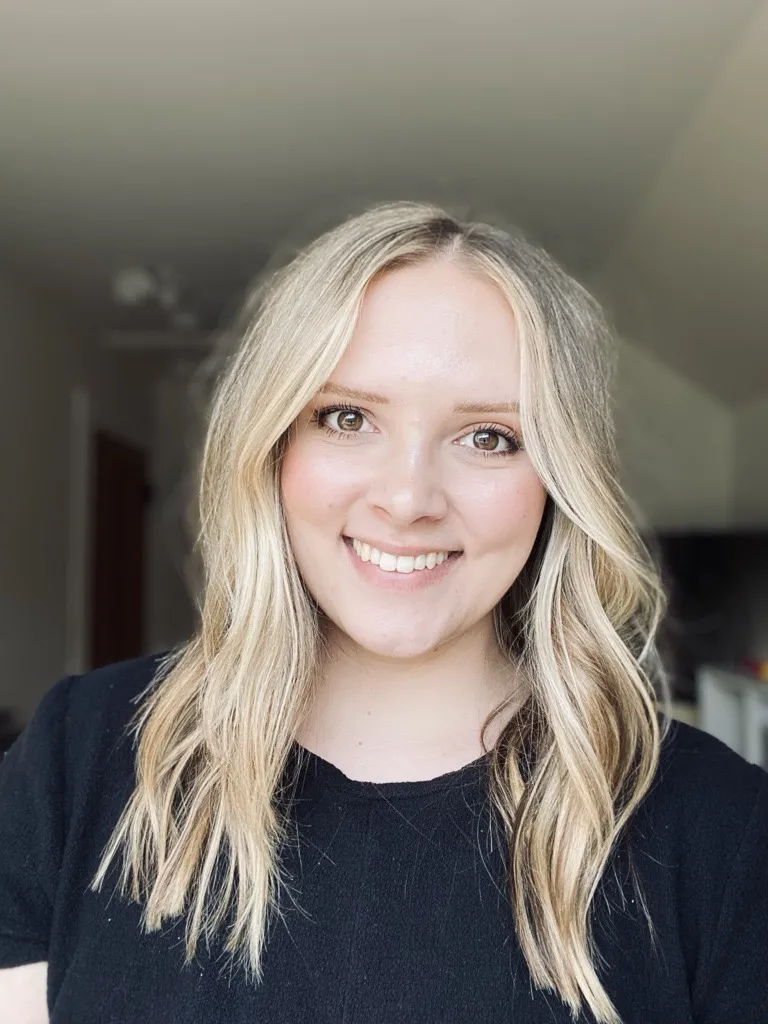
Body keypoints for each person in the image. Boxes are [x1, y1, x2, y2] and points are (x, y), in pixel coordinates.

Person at [1, 202, 766, 1024]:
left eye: (489, 436)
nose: (407, 499)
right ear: (272, 446)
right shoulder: (82, 755)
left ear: (558, 480)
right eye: (347, 418)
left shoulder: (720, 828)